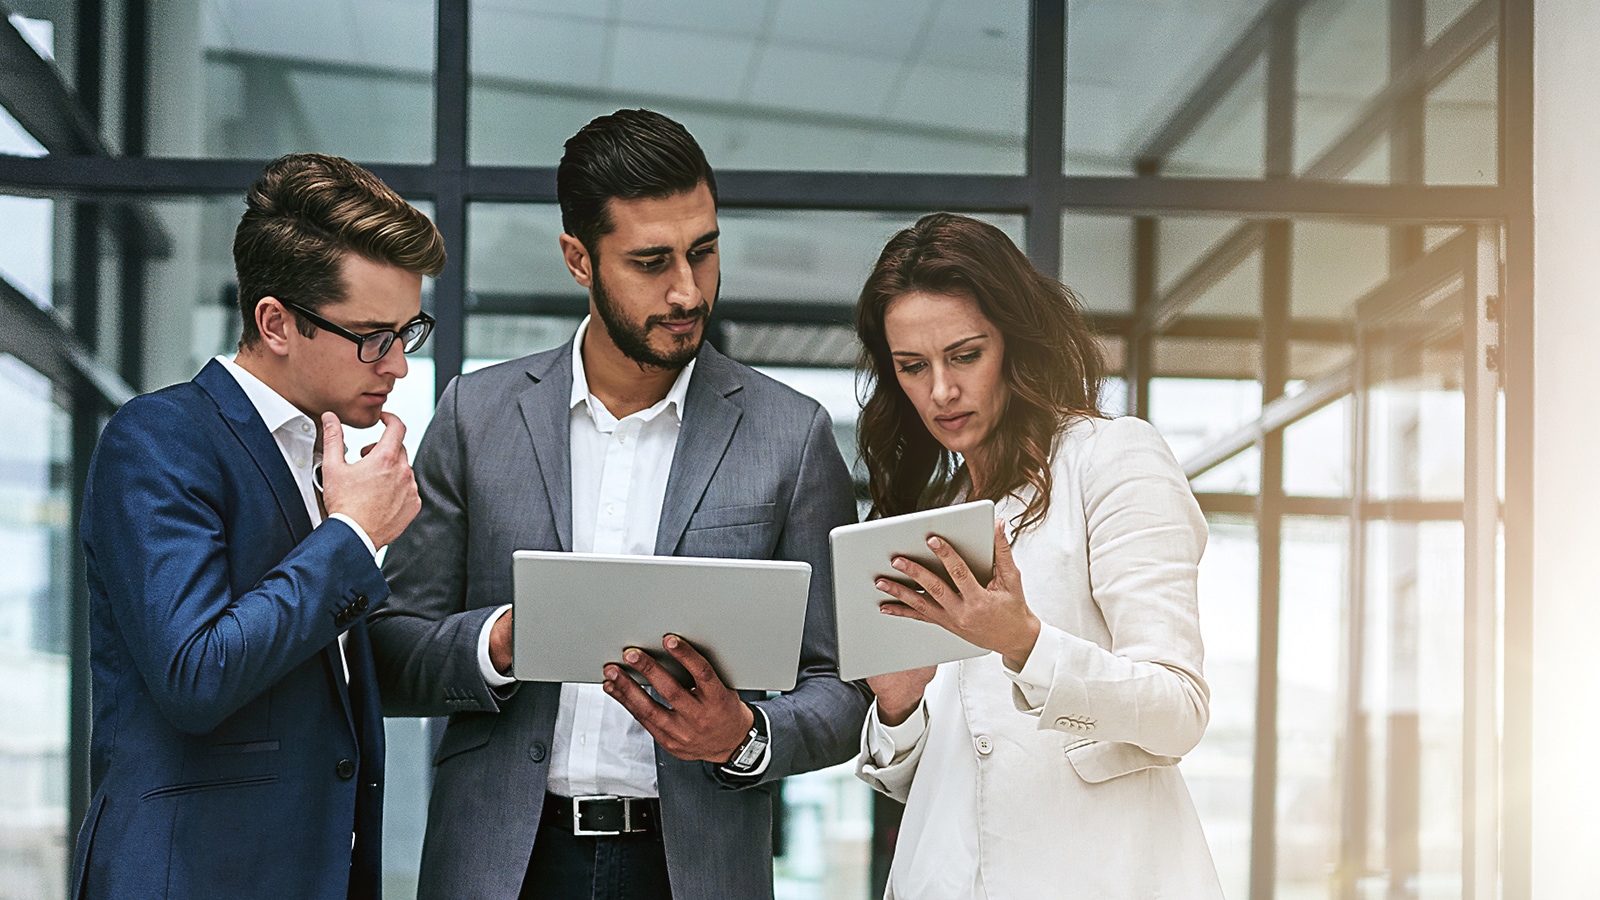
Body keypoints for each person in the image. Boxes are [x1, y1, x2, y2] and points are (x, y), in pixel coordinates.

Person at [368, 108, 869, 900]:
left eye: (704, 253)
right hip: (503, 865)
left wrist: (746, 737)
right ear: (578, 259)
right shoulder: (477, 414)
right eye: (650, 261)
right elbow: (388, 652)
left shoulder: (792, 435)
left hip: (692, 871)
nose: (686, 289)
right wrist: (500, 642)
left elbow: (843, 684)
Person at [70, 153, 444, 900]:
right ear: (274, 322)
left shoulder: (330, 459)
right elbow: (195, 674)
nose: (399, 365)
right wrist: (354, 537)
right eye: (374, 336)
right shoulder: (160, 437)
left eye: (410, 331)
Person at [852, 213, 1223, 898]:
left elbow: (1178, 710)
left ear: (1015, 343)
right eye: (912, 366)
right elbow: (950, 774)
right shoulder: (937, 511)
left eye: (965, 355)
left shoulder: (1113, 457)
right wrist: (899, 708)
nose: (940, 391)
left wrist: (1025, 644)